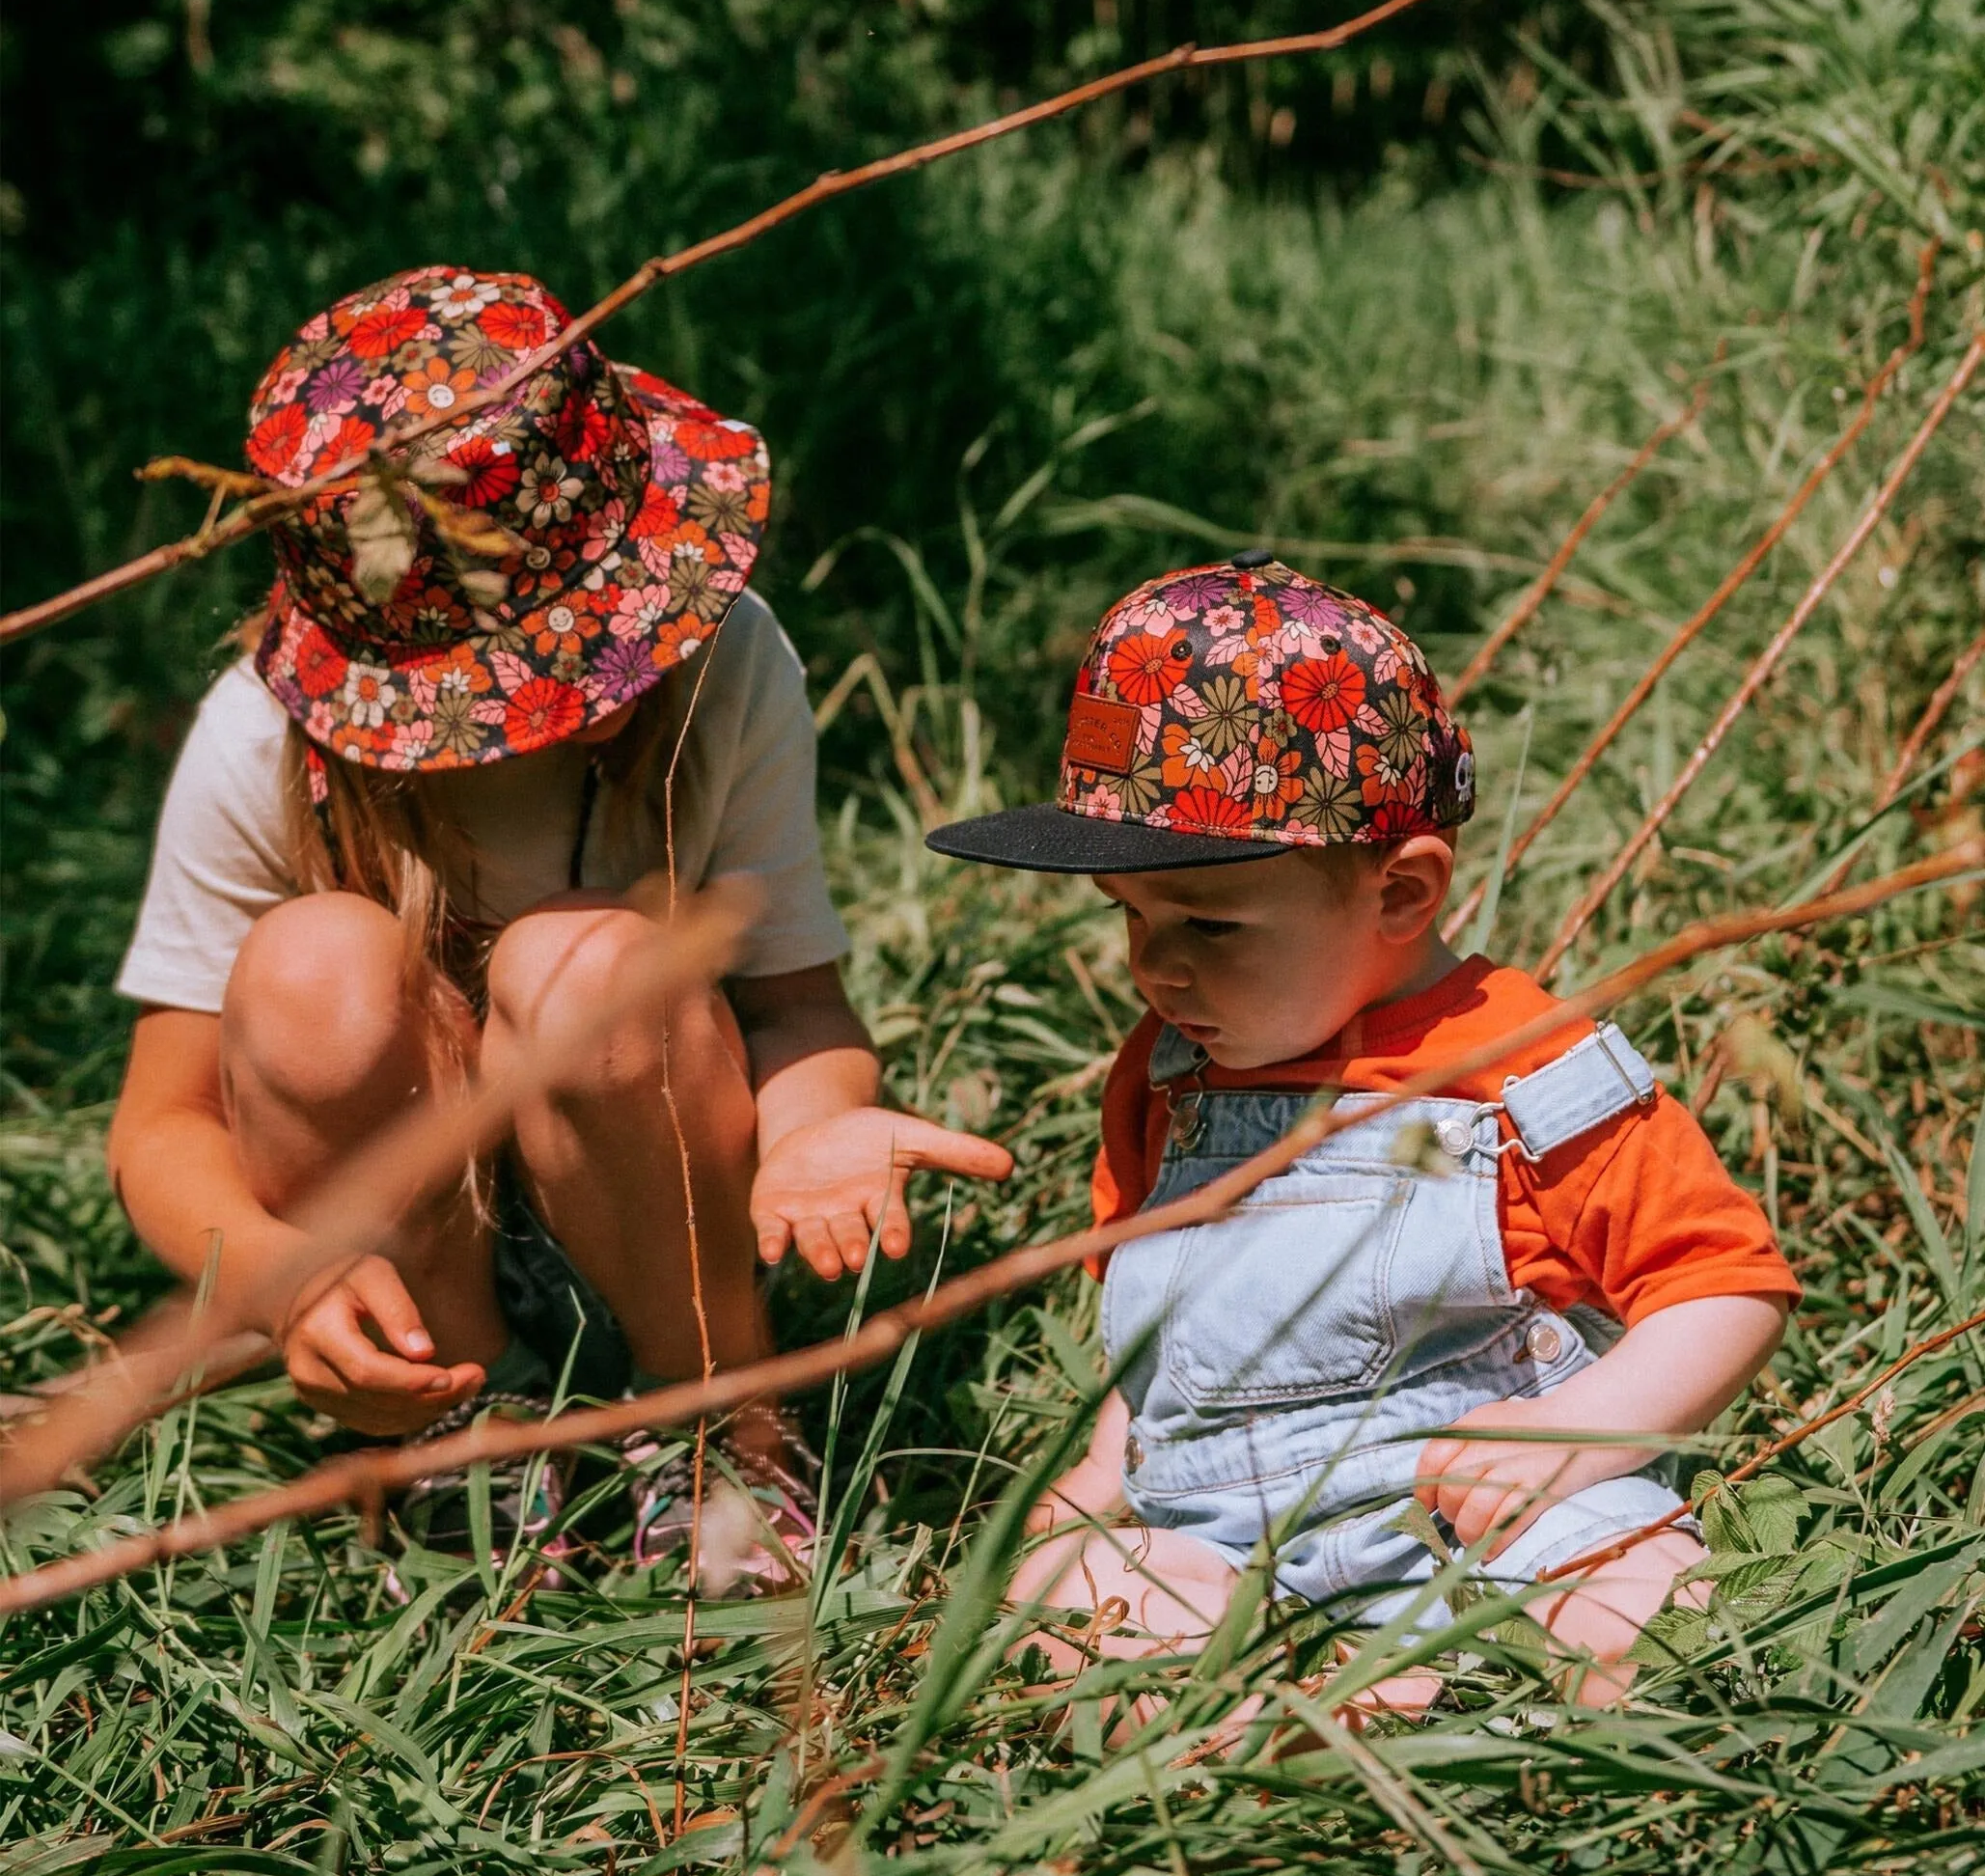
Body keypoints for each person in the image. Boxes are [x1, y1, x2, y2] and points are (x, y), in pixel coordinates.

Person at [106, 264, 1010, 1582]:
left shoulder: (721, 672)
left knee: (587, 963)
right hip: (406, 1232)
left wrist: (816, 1129)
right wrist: (281, 1273)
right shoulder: (267, 738)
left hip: (669, 1192)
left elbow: (792, 1004)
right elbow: (160, 1122)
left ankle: (714, 1417)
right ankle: (471, 1428)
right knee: (314, 965)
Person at [925, 555, 1793, 1711]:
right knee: (1066, 1590)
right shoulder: (1167, 1071)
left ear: (1398, 894)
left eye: (1209, 925)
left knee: (1643, 1610)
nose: (1155, 968)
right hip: (1223, 1532)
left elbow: (1723, 1284)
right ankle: (1286, 1713)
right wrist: (1099, 1470)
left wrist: (1584, 1431)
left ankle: (1457, 1691)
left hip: (1494, 1508)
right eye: (1128, 921)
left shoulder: (1523, 1068)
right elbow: (1159, 1321)